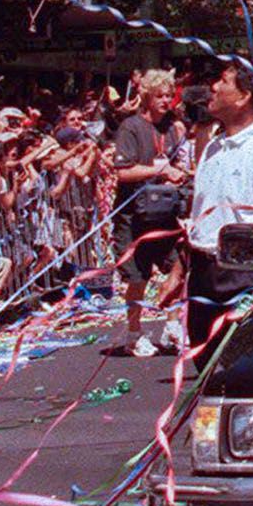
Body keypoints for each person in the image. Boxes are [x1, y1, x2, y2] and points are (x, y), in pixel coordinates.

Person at [179, 59, 253, 355]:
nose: (213, 87)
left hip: (246, 276)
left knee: (247, 363)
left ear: (244, 96)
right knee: (206, 362)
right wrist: (179, 272)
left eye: (223, 81)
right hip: (204, 276)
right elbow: (200, 217)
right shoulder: (214, 147)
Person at [108, 70, 187, 357]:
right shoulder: (131, 127)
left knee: (178, 268)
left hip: (164, 213)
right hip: (134, 216)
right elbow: (123, 172)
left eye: (169, 96)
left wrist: (177, 173)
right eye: (159, 96)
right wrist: (159, 169)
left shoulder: (172, 128)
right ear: (147, 97)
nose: (166, 101)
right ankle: (134, 333)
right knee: (137, 277)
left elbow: (176, 163)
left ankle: (172, 326)